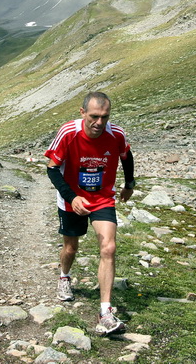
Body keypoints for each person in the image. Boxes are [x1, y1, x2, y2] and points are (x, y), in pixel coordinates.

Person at [45, 91, 135, 335]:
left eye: (105, 117)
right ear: (82, 112)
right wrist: (72, 197)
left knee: (109, 248)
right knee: (71, 248)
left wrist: (129, 184)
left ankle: (105, 312)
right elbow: (52, 169)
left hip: (103, 197)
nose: (99, 122)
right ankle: (64, 277)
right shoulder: (68, 132)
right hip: (72, 198)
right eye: (94, 116)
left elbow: (126, 156)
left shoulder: (116, 134)